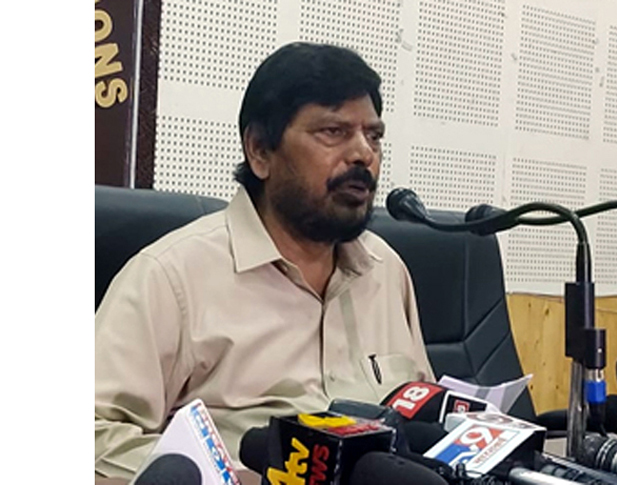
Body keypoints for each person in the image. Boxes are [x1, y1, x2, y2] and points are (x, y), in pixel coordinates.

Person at [95, 42, 434, 479]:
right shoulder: (171, 277)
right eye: (333, 132)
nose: (362, 154)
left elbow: (424, 412)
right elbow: (94, 432)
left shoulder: (386, 270)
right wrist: (232, 475)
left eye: (373, 136)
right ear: (259, 150)